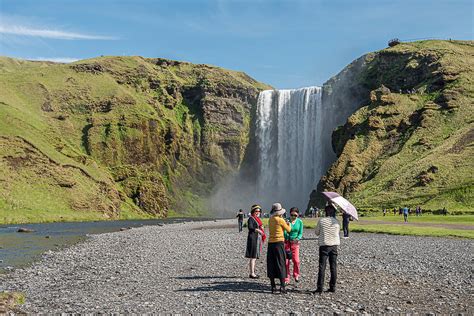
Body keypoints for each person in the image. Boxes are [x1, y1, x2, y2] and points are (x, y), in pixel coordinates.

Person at [315, 204, 340, 293]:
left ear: (325, 212)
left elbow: (317, 232)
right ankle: (333, 287)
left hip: (324, 245)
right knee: (333, 266)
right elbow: (337, 232)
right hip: (334, 246)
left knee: (322, 266)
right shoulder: (337, 222)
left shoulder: (321, 221)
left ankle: (320, 287)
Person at [267, 203, 291, 294]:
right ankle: (282, 286)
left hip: (271, 243)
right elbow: (289, 230)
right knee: (281, 263)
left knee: (271, 263)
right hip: (279, 243)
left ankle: (273, 286)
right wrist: (288, 224)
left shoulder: (270, 219)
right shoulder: (280, 220)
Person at [245, 205, 266, 278]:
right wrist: (257, 229)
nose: (258, 212)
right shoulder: (251, 218)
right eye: (256, 211)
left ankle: (252, 272)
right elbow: (250, 227)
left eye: (259, 211)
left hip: (257, 238)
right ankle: (252, 273)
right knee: (253, 256)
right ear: (253, 212)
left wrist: (261, 228)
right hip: (253, 239)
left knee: (254, 256)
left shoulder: (257, 219)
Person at [284, 207, 303, 285]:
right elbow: (284, 231)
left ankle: (296, 274)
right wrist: (287, 238)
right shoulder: (287, 221)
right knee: (286, 262)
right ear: (290, 214)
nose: (293, 217)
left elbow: (300, 233)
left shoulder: (300, 222)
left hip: (295, 243)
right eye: (292, 215)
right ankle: (286, 278)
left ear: (298, 214)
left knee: (296, 260)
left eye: (295, 215)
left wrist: (297, 239)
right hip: (287, 242)